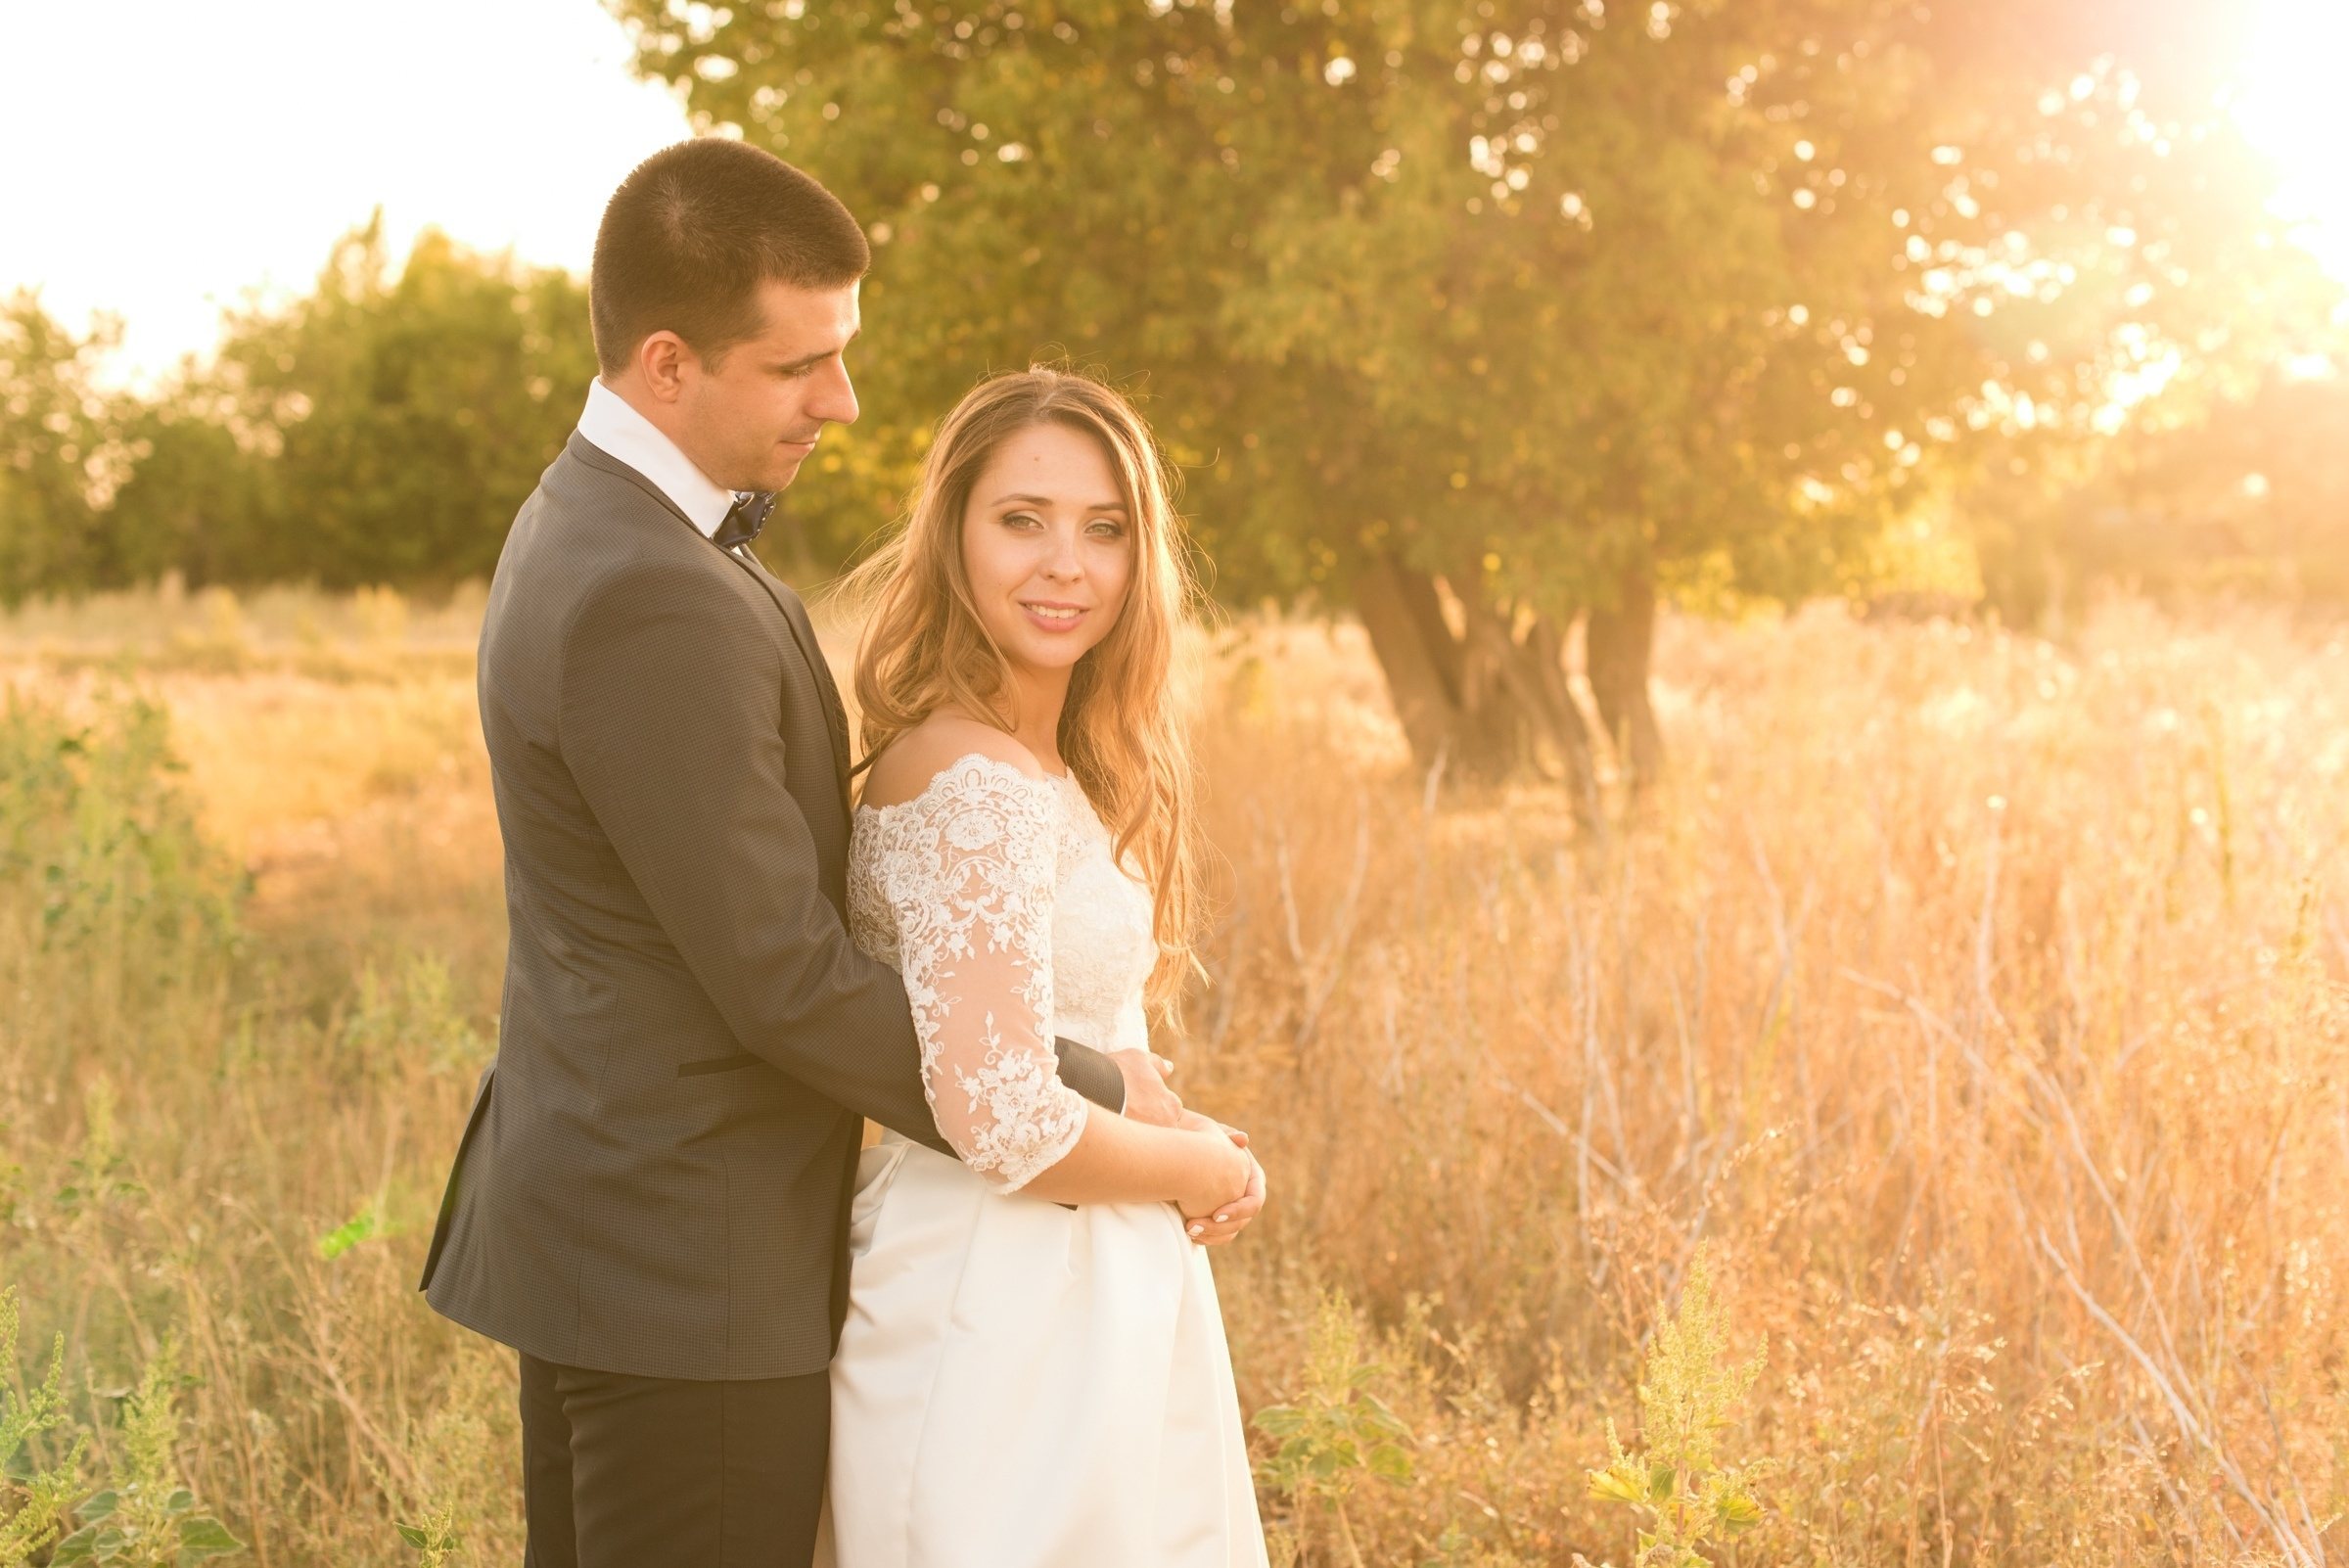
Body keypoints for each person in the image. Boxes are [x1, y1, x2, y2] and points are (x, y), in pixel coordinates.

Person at [414, 139, 1264, 1568]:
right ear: (669, 364)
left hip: (623, 1237)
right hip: (690, 1264)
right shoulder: (650, 587)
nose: (843, 397)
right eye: (799, 363)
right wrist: (1108, 1090)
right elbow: (786, 980)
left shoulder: (597, 522)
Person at [820, 367, 1268, 1567]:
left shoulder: (1058, 764)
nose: (1066, 564)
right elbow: (1005, 1117)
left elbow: (1086, 1037)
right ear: (954, 536)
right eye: (1023, 520)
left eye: (1103, 528)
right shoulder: (970, 774)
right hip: (995, 1310)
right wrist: (1207, 1168)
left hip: (1100, 1296)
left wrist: (1183, 1132)